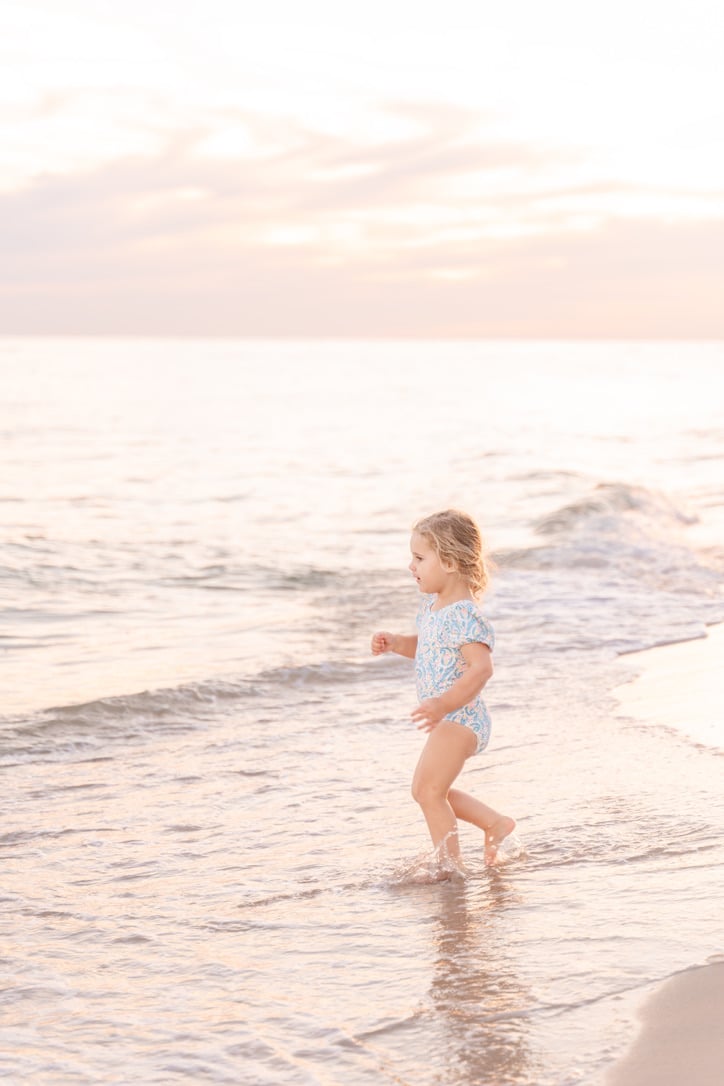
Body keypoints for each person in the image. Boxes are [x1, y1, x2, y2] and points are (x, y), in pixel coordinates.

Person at [371, 509, 515, 868]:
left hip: (462, 717)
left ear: (449, 562)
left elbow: (482, 668)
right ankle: (494, 823)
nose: (411, 566)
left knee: (428, 791)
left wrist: (442, 704)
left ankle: (449, 867)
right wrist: (395, 643)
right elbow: (427, 647)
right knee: (430, 790)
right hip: (450, 716)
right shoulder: (432, 607)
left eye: (419, 558)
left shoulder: (465, 615)